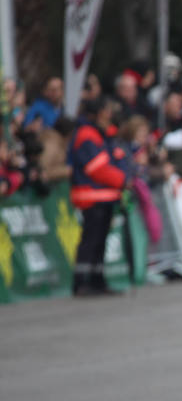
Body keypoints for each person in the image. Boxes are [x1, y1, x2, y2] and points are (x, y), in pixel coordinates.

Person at [67, 98, 131, 296]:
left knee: (100, 241)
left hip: (105, 197)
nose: (109, 116)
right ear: (97, 114)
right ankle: (82, 283)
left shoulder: (100, 135)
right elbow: (96, 168)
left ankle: (97, 281)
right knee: (91, 241)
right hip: (92, 197)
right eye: (106, 111)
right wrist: (122, 180)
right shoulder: (88, 135)